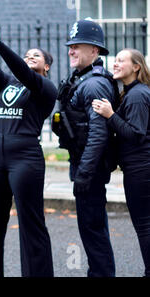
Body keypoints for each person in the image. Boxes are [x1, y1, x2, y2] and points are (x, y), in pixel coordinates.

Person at [0, 17, 56, 277]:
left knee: (31, 225)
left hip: (25, 160)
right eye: (27, 55)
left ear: (47, 66)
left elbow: (21, 71)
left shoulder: (45, 88)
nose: (30, 56)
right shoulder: (9, 83)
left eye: (36, 56)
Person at [52, 19, 118, 277]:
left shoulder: (94, 84)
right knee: (92, 228)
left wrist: (85, 174)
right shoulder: (83, 78)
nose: (71, 50)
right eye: (70, 45)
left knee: (92, 229)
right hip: (84, 166)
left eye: (77, 46)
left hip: (89, 169)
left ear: (95, 51)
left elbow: (98, 136)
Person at [92, 48, 150, 277]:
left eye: (121, 60)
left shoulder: (136, 95)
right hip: (139, 167)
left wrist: (110, 115)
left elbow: (136, 135)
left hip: (141, 169)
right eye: (114, 60)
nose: (115, 64)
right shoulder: (132, 92)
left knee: (145, 225)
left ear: (136, 66)